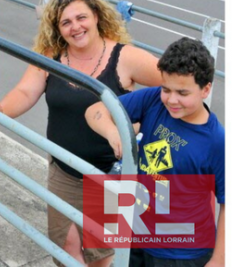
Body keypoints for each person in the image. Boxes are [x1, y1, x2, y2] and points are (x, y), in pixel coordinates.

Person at [0, 0, 162, 266]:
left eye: (81, 18)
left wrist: (140, 128)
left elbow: (174, 87)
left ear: (97, 17)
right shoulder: (52, 55)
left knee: (101, 256)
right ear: (57, 28)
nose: (75, 27)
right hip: (64, 172)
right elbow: (26, 92)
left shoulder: (125, 57)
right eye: (66, 22)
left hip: (109, 175)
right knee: (65, 249)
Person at [85, 37, 224, 267]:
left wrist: (219, 260)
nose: (172, 100)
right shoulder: (154, 102)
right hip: (137, 237)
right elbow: (95, 110)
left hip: (183, 254)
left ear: (205, 89)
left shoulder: (217, 141)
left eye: (182, 93)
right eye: (166, 89)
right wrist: (114, 132)